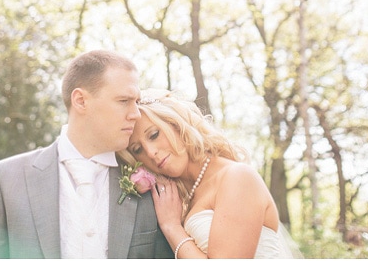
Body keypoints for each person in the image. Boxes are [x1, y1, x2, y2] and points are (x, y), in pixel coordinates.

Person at [0, 50, 172, 258]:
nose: (135, 114)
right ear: (81, 101)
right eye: (123, 101)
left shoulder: (152, 185)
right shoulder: (5, 179)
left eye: (136, 102)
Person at [122, 90, 300, 259]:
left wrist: (172, 227)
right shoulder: (181, 200)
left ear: (177, 124)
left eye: (154, 135)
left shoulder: (237, 177)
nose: (151, 152)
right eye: (137, 150)